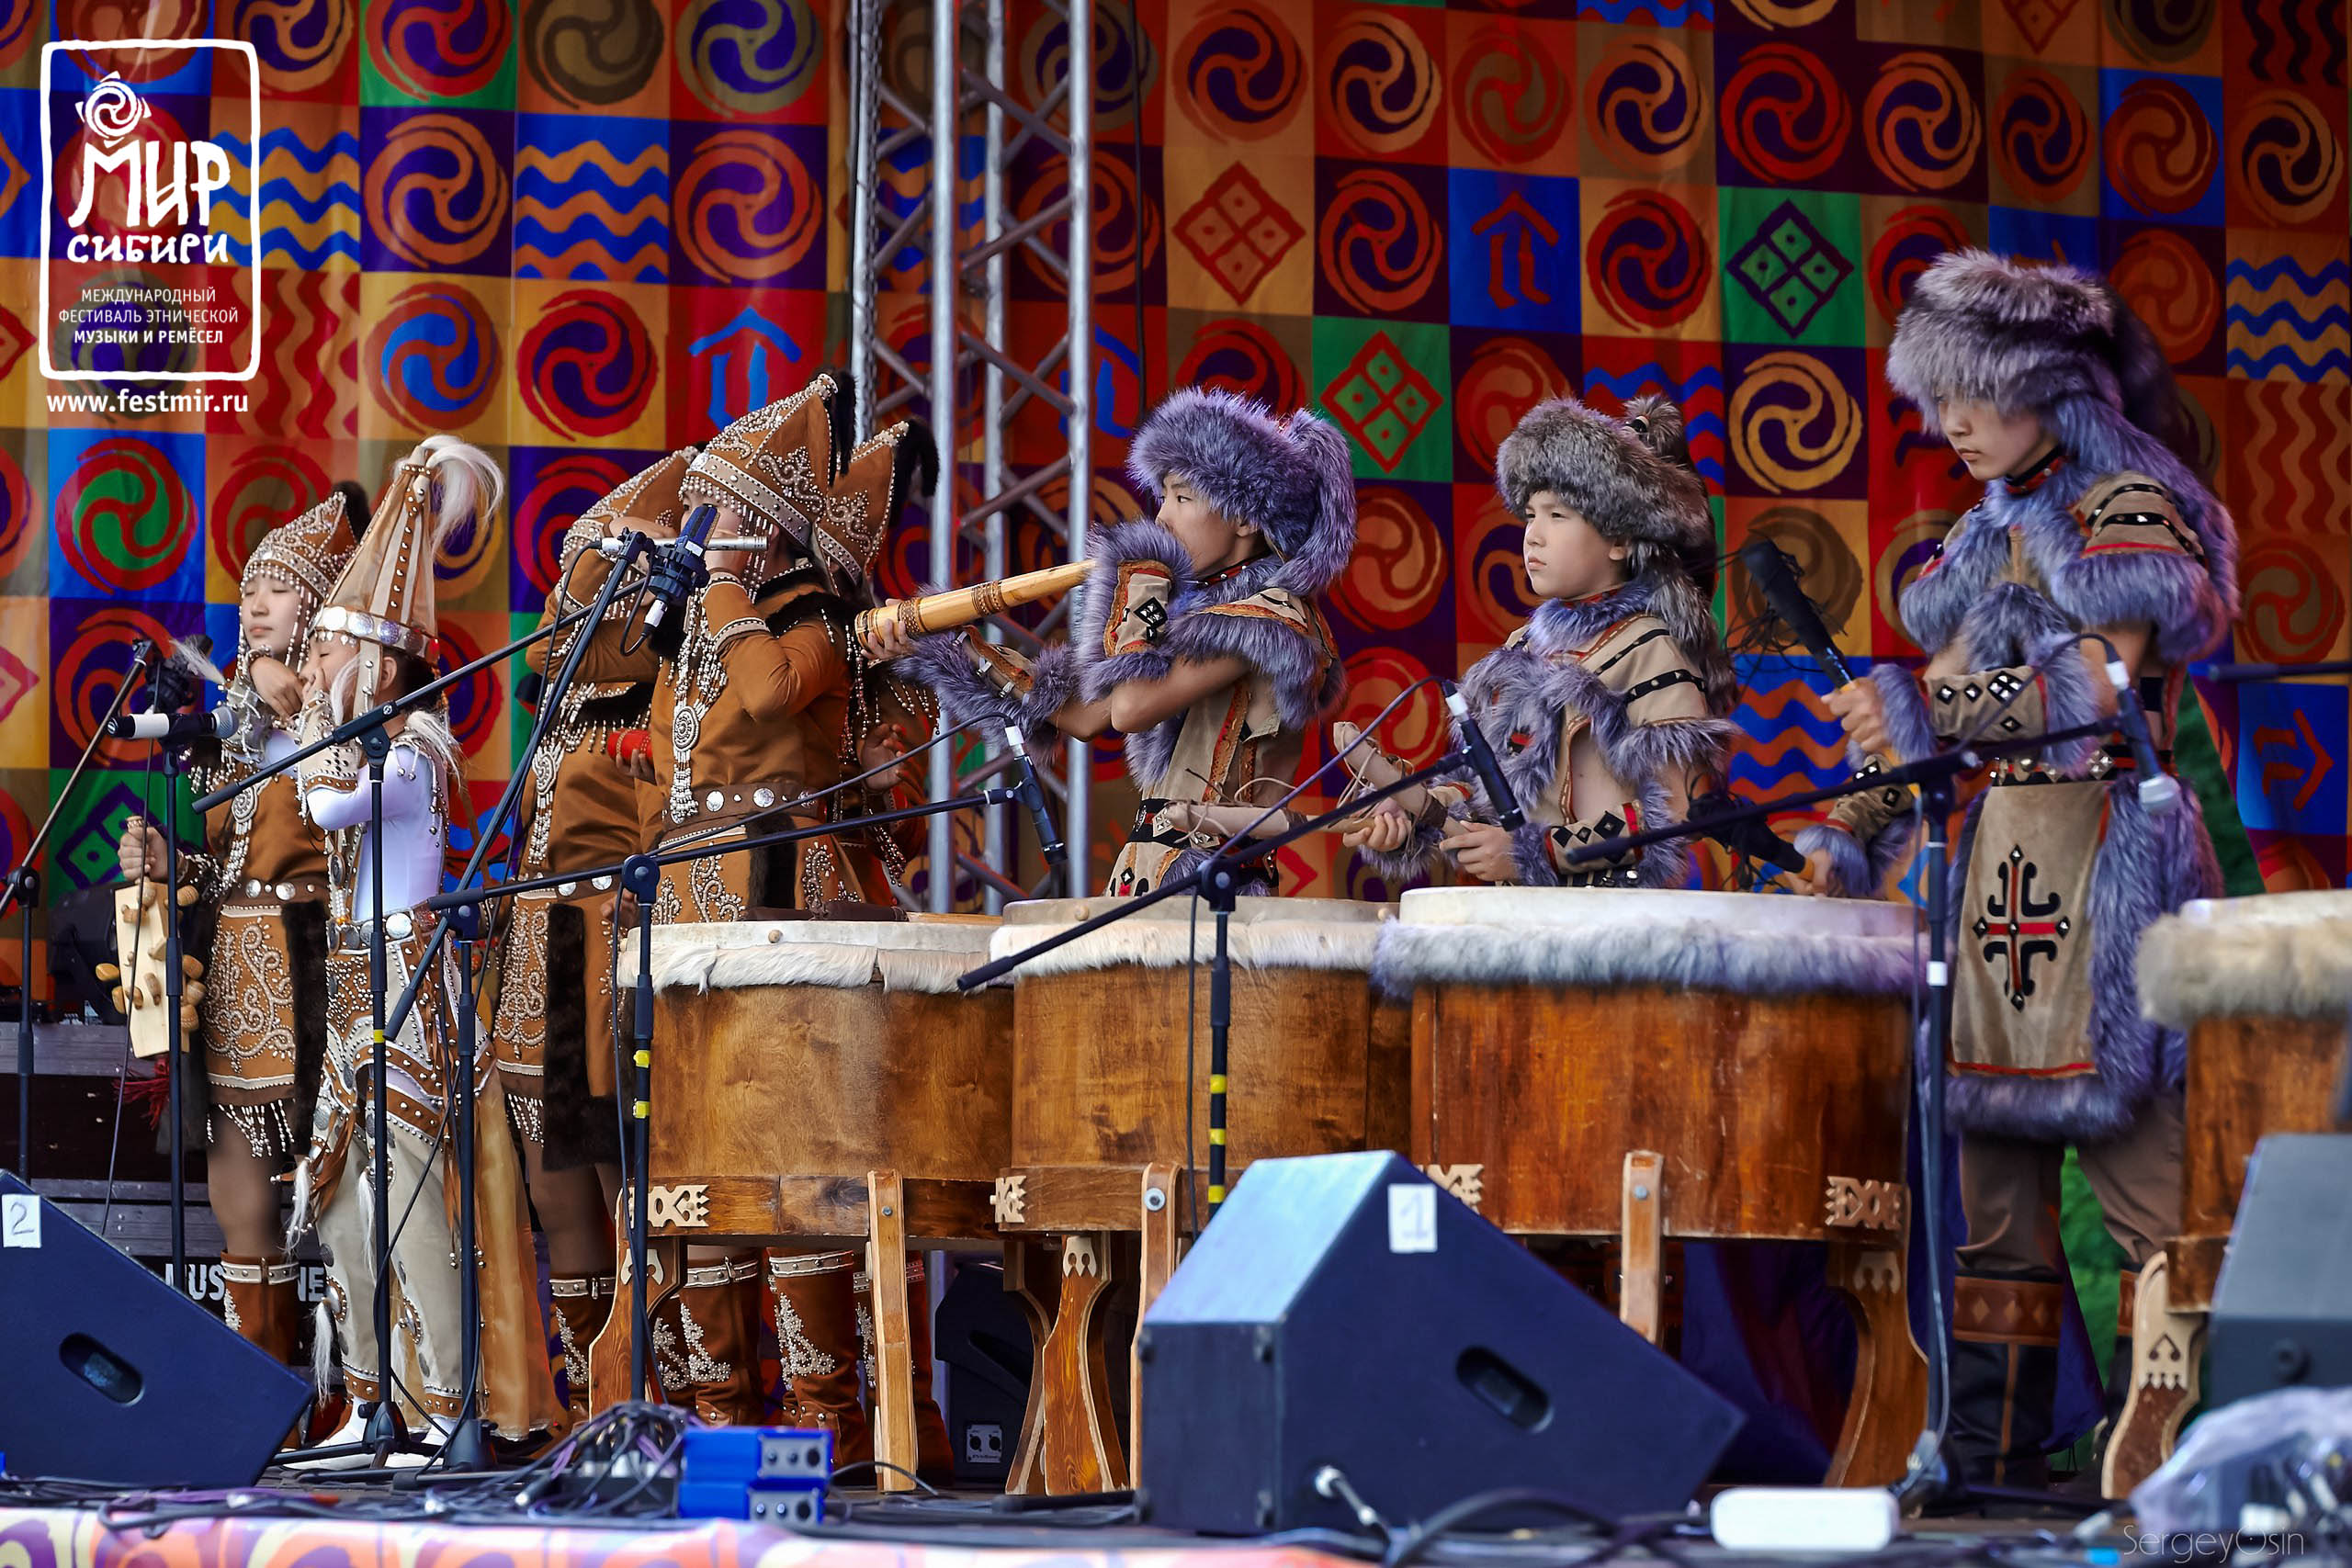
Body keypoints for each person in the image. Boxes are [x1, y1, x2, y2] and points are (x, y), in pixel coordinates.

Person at [1792, 251, 2238, 1488]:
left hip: (2108, 861)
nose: (1948, 426)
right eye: (1937, 398)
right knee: (1994, 1195)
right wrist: (1852, 827)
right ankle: (1995, 1454)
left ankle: (2193, 1448)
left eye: (1969, 394)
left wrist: (1923, 710)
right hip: (1996, 878)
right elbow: (1938, 719)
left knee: (2151, 1181)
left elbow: (2092, 685)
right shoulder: (1982, 537)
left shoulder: (2123, 506)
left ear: (2042, 381)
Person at [643, 374, 944, 1461]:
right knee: (706, 1168)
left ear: (759, 526)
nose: (696, 528)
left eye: (716, 512)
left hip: (778, 902)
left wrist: (724, 581)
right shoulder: (699, 625)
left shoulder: (808, 613)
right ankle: (718, 1417)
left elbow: (774, 695)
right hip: (690, 906)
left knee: (786, 1163)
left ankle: (833, 1420)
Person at [289, 437, 562, 1449]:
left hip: (409, 977)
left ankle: (448, 1404)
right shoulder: (352, 742)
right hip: (357, 978)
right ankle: (369, 1401)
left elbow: (325, 810)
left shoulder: (411, 755)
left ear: (374, 656)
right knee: (340, 1201)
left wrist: (313, 735)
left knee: (409, 1201)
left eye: (326, 645)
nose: (312, 664)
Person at [872, 388, 1355, 896]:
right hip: (1151, 879)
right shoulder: (1202, 616)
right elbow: (1085, 716)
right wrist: (950, 646)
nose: (1162, 516)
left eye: (1183, 496)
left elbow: (1128, 707)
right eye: (1163, 496)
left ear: (1245, 518)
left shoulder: (1269, 620)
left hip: (1214, 893)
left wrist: (1138, 579)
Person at [115, 490, 359, 1433]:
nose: (255, 605)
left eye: (280, 591)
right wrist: (171, 865)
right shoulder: (234, 722)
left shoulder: (344, 703)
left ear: (322, 603)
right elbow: (232, 859)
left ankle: (350, 1402)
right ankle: (262, 1409)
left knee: (336, 1194)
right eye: (250, 591)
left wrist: (270, 676)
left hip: (316, 968)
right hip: (236, 970)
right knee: (237, 1196)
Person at [489, 448, 690, 1424]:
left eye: (597, 570)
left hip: (619, 939)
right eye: (569, 569)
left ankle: (655, 1392)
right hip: (537, 951)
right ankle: (584, 1398)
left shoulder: (669, 692)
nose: (572, 590)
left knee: (622, 1170)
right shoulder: (557, 707)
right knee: (550, 1173)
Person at [1340, 396, 1736, 886]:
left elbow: (1679, 813)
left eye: (1558, 515)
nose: (1533, 536)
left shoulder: (1649, 649)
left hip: (1610, 933)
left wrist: (1537, 853)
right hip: (1523, 924)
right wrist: (1416, 818)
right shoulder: (1523, 645)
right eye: (1530, 515)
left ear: (1620, 539)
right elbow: (1489, 793)